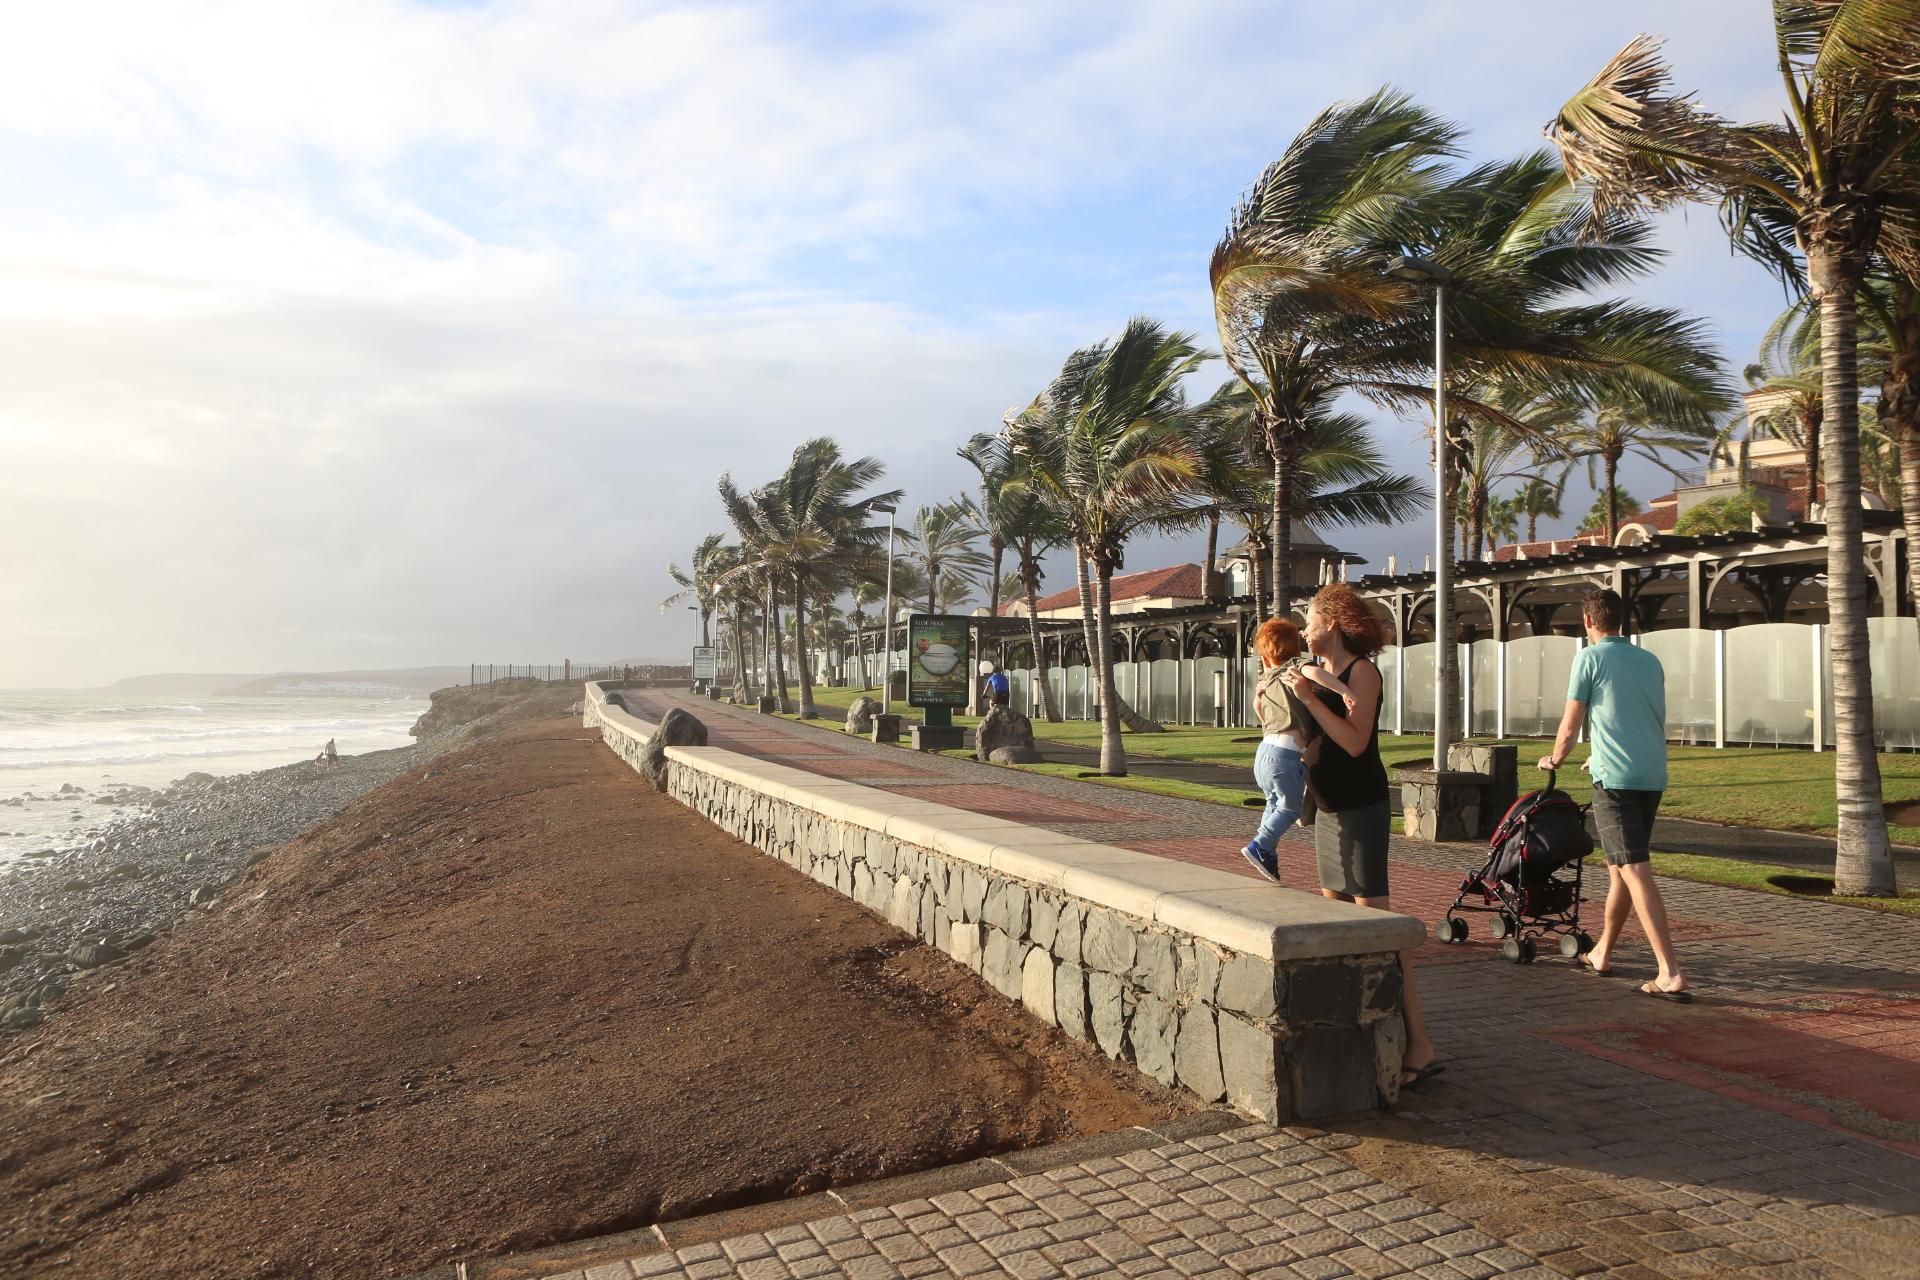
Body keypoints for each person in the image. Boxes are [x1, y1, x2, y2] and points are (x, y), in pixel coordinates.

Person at [1289, 583, 1442, 1089]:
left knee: (1378, 924)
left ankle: (1419, 1040)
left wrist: (1311, 697)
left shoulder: (1363, 673)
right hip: (1328, 805)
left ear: (1332, 623)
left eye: (1309, 620)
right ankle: (1346, 1031)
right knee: (1330, 918)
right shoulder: (1320, 672)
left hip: (1360, 807)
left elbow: (1355, 743)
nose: (1303, 628)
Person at [1539, 588, 1691, 1001]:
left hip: (1616, 780)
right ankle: (1602, 951)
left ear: (1588, 621)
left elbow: (1571, 724)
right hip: (1650, 774)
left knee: (1634, 869)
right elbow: (1631, 718)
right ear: (1621, 620)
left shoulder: (1588, 658)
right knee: (1619, 868)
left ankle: (1669, 972)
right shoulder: (1649, 660)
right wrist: (1598, 754)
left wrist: (1554, 759)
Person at [1241, 617, 1353, 883]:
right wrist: (1344, 689)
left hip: (1264, 754)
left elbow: (1260, 712)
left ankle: (1266, 852)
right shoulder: (1295, 666)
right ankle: (1261, 845)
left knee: (1273, 802)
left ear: (1266, 658)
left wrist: (1259, 696)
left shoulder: (1267, 679)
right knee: (1291, 809)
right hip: (1285, 755)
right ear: (1296, 650)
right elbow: (1317, 673)